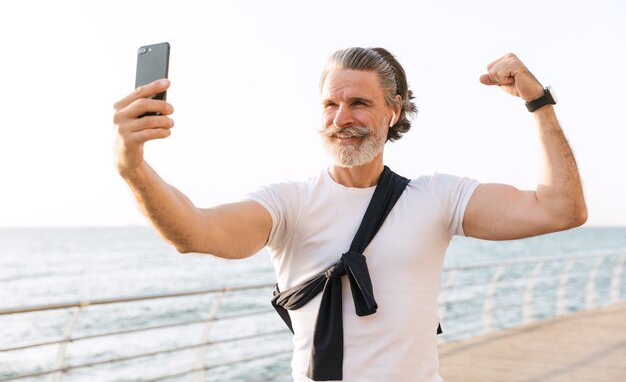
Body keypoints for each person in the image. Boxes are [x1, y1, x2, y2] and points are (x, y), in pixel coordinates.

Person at [112, 47, 587, 382]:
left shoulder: (437, 198)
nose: (342, 119)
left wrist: (537, 102)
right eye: (330, 104)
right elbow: (196, 232)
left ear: (394, 112)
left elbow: (561, 210)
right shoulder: (287, 203)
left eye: (359, 103)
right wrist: (133, 168)